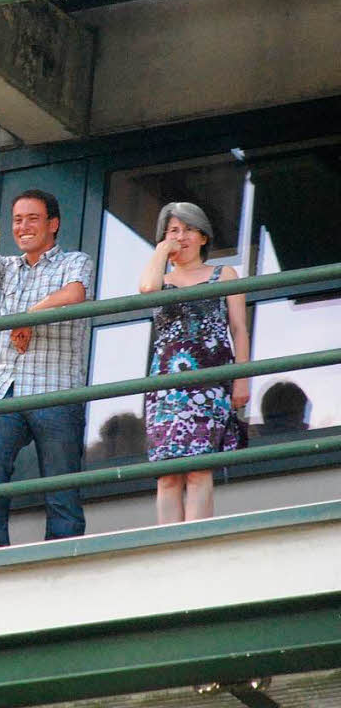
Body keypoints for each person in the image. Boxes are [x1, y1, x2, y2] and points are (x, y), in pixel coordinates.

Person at [0, 145, 94, 552]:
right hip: (7, 388)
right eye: (17, 220)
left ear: (53, 224)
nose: (23, 226)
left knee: (60, 480)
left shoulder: (74, 260)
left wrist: (30, 315)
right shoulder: (9, 268)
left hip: (56, 388)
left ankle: (62, 552)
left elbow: (75, 293)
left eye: (32, 219)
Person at [140, 201, 250, 524]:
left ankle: (197, 543)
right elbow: (147, 289)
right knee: (167, 474)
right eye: (173, 230)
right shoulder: (162, 279)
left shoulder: (223, 274)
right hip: (165, 387)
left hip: (210, 382)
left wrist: (242, 379)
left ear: (204, 236)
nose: (181, 236)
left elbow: (239, 329)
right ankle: (168, 547)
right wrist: (162, 252)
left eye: (188, 229)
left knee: (200, 470)